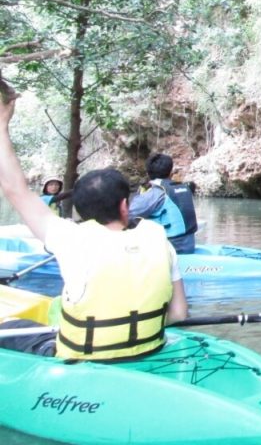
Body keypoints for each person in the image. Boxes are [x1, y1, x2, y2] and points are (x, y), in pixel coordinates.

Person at [0, 80, 188, 358]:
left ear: (80, 210)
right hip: (148, 349)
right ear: (125, 206)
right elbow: (179, 314)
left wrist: (2, 125)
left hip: (82, 357)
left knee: (13, 327)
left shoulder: (70, 239)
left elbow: (15, 190)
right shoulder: (157, 239)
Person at [129, 152, 199, 254]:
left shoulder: (156, 193)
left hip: (170, 248)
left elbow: (127, 213)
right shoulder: (184, 187)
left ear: (148, 173)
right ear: (170, 172)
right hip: (189, 244)